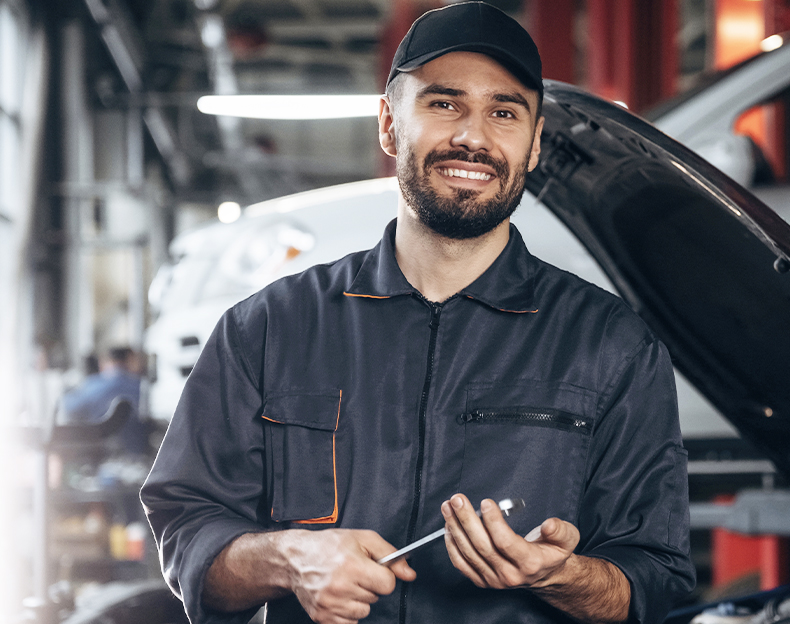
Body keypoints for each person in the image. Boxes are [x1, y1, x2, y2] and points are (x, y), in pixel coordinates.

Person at [140, 3, 695, 623]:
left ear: (534, 145)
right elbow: (187, 533)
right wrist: (290, 557)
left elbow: (657, 580)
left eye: (504, 113)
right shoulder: (268, 328)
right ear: (388, 123)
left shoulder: (611, 344)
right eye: (444, 104)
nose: (474, 137)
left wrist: (564, 576)